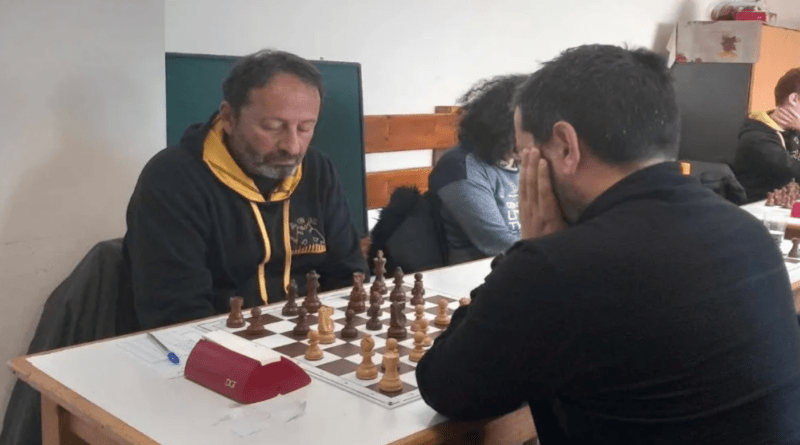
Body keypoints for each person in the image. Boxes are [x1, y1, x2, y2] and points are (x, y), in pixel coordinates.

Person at [416, 45, 800, 444]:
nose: (523, 169)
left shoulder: (559, 268)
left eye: (526, 151)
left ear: (565, 146)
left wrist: (526, 255)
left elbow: (444, 385)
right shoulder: (747, 232)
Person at [124, 49, 368, 329]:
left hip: (309, 335)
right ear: (229, 118)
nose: (292, 147)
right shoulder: (172, 179)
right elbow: (177, 316)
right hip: (217, 341)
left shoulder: (317, 169)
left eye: (305, 128)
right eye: (273, 127)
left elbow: (348, 275)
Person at [428, 75, 526, 264]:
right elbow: (498, 242)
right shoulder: (459, 167)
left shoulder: (522, 161)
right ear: (499, 126)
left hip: (526, 261)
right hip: (479, 270)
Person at [732, 67, 800, 202]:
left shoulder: (794, 129)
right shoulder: (757, 138)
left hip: (787, 208)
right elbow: (794, 171)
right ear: (794, 99)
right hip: (758, 210)